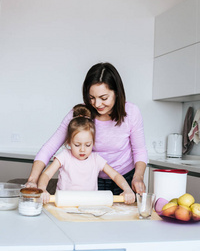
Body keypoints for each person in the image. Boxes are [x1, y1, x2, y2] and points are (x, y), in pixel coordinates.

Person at [27, 62, 148, 194]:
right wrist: (33, 179)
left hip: (125, 178)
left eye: (103, 98)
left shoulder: (132, 112)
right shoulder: (80, 113)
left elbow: (139, 150)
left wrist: (138, 177)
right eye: (92, 98)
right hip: (93, 180)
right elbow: (49, 147)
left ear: (117, 93)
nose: (97, 104)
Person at [38, 104, 135, 205]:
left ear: (93, 142)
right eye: (77, 145)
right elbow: (46, 174)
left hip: (89, 207)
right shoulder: (64, 156)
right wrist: (42, 189)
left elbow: (115, 175)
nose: (82, 150)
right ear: (69, 142)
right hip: (64, 205)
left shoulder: (96, 159)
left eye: (88, 145)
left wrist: (127, 189)